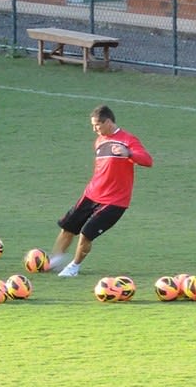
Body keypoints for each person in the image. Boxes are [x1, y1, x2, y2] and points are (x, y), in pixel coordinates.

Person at [52, 105, 153, 277]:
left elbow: (148, 160)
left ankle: (74, 267)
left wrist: (128, 153)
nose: (94, 129)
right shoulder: (100, 140)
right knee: (67, 227)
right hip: (91, 194)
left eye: (97, 125)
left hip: (114, 201)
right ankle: (54, 260)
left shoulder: (128, 140)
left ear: (108, 122)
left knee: (86, 234)